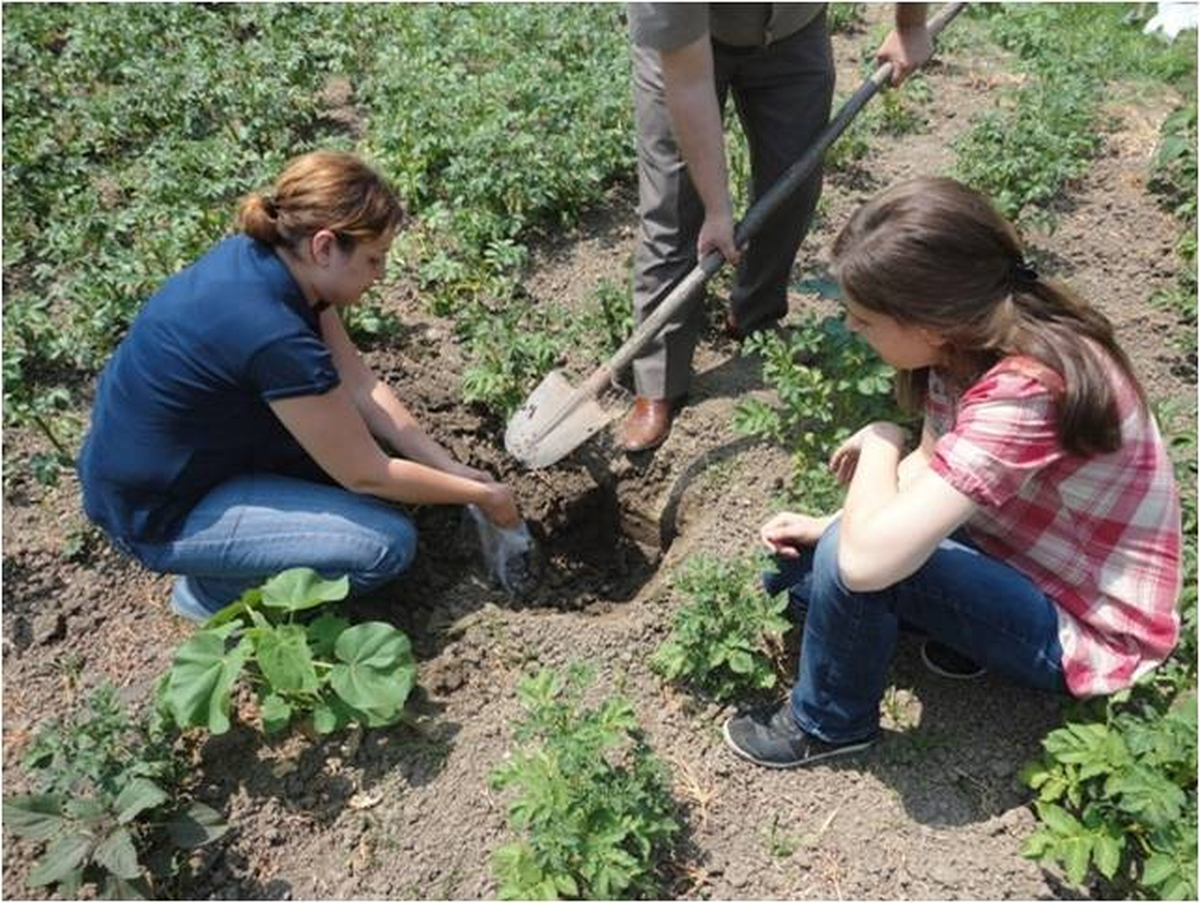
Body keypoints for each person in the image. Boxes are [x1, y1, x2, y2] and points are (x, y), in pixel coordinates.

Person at [722, 177, 1183, 769]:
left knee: (846, 562)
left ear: (928, 322)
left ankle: (828, 723)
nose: (853, 330)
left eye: (863, 319)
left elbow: (865, 561)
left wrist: (883, 441)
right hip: (1024, 556)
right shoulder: (968, 344)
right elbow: (935, 464)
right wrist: (827, 519)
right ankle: (966, 634)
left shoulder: (1028, 390)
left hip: (1086, 628)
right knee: (797, 582)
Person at [78, 151, 522, 622]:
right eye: (374, 259)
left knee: (361, 462)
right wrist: (484, 498)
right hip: (159, 513)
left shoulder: (270, 262)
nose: (381, 275)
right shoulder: (272, 335)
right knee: (385, 544)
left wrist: (448, 467)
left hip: (174, 463)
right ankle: (212, 594)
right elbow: (365, 473)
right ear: (325, 247)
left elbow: (360, 385)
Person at [620, 2, 934, 452]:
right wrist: (717, 210)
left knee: (793, 185)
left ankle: (755, 316)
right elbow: (688, 84)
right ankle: (658, 380)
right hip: (688, 43)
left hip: (793, 26)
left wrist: (910, 25)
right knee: (675, 208)